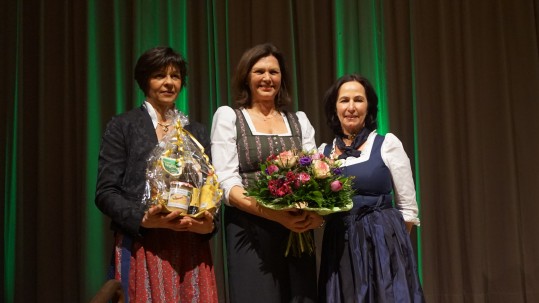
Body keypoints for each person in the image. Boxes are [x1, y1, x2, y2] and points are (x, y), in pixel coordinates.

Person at [95, 46, 218, 302]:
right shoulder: (123, 126)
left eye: (175, 76)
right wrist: (144, 219)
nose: (169, 82)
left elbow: (211, 188)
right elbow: (105, 192)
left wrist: (208, 224)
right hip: (144, 244)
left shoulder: (196, 131)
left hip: (190, 245)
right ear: (144, 80)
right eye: (160, 75)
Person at [211, 43, 323, 303]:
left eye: (274, 72)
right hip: (249, 230)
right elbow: (227, 183)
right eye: (259, 71)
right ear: (246, 77)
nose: (267, 78)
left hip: (296, 229)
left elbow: (317, 174)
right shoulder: (229, 117)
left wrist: (314, 216)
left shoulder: (299, 120)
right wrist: (272, 214)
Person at [317, 74, 425, 302]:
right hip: (340, 247)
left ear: (369, 107)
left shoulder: (387, 144)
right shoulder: (322, 154)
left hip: (382, 245)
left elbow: (407, 208)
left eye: (359, 100)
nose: (351, 107)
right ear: (334, 108)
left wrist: (388, 244)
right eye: (344, 100)